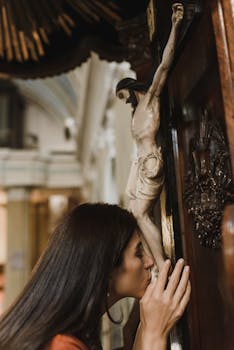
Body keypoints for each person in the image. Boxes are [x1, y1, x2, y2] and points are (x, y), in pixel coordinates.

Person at [0, 203, 190, 350]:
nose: (149, 262)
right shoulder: (60, 346)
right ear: (105, 271)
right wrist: (154, 336)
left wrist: (149, 325)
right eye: (138, 253)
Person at [116, 3, 184, 271]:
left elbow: (165, 64)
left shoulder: (152, 99)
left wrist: (176, 25)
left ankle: (160, 264)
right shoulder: (136, 114)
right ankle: (156, 263)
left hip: (152, 160)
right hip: (140, 161)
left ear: (130, 90)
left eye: (123, 96)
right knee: (130, 206)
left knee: (139, 213)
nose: (124, 101)